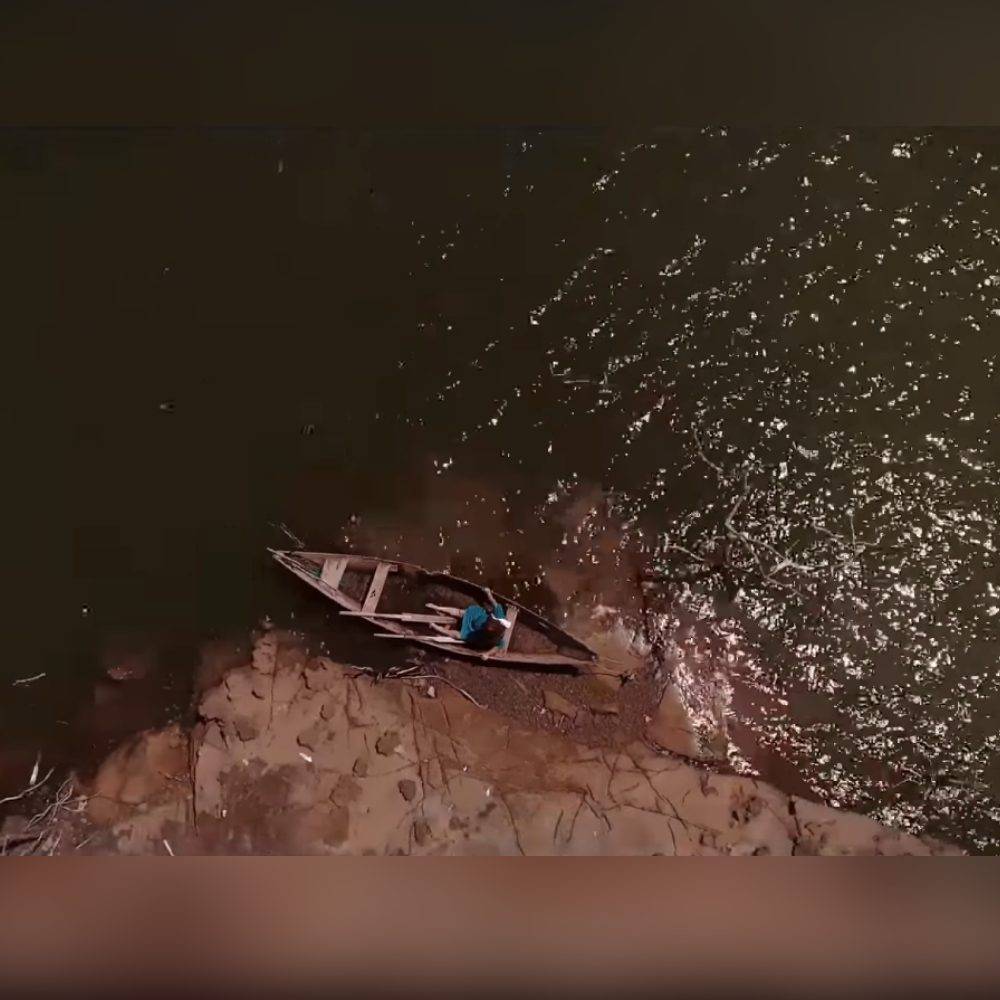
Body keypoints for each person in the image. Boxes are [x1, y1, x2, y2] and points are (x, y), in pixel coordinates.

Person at [428, 587, 512, 657]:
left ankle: (437, 628)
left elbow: (497, 647)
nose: (490, 620)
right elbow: (494, 602)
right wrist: (488, 593)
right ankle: (437, 608)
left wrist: (487, 654)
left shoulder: (496, 637)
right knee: (461, 612)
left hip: (473, 631)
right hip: (477, 615)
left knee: (458, 635)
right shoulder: (499, 616)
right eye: (491, 620)